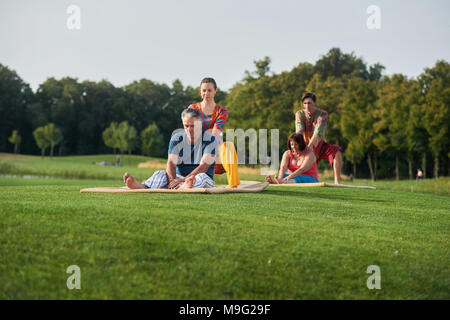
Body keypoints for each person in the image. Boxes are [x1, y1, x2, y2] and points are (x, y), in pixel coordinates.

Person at [123, 108, 218, 189]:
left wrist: (184, 180)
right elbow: (171, 163)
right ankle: (142, 187)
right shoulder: (177, 138)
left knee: (200, 178)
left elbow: (204, 166)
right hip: (178, 177)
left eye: (192, 126)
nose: (189, 129)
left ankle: (185, 186)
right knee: (160, 174)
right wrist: (172, 181)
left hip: (201, 177)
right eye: (186, 126)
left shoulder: (211, 140)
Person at [187, 77, 240, 188]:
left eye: (210, 90)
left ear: (215, 91)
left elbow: (215, 134)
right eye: (204, 90)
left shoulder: (221, 112)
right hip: (196, 149)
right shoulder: (192, 109)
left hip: (215, 150)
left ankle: (233, 185)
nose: (206, 93)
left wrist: (205, 132)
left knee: (228, 146)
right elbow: (191, 131)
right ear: (200, 91)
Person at [295, 92, 343, 184]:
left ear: (315, 103)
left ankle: (337, 183)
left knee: (336, 152)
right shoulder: (299, 114)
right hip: (305, 147)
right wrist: (301, 147)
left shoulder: (323, 114)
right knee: (300, 171)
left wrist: (311, 145)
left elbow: (318, 132)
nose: (307, 105)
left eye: (309, 103)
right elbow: (299, 131)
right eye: (305, 103)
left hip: (320, 146)